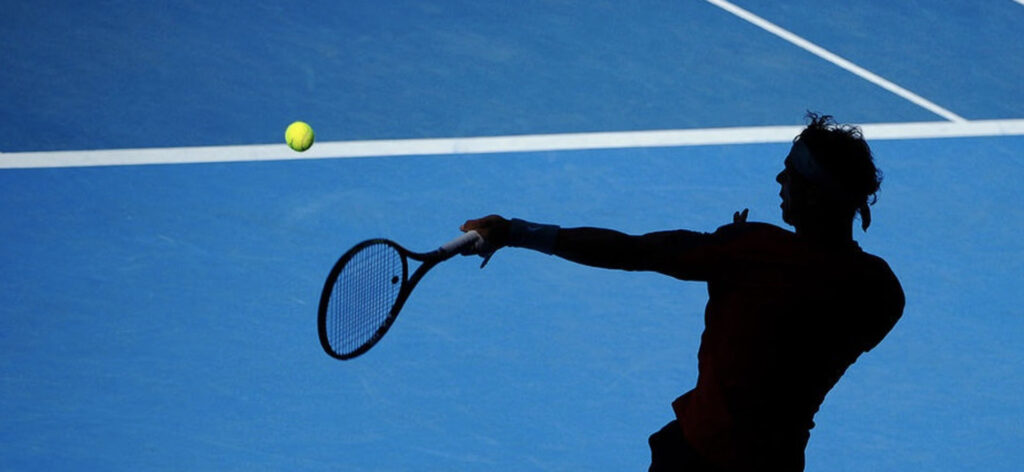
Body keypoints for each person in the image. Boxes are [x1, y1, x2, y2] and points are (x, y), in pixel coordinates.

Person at [459, 113, 905, 471]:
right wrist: (741, 265)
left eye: (788, 174)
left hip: (696, 463)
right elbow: (793, 317)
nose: (777, 181)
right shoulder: (882, 293)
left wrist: (517, 232)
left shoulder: (749, 252)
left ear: (812, 195)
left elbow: (632, 251)